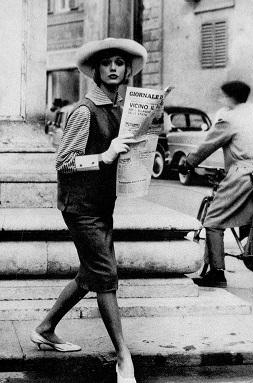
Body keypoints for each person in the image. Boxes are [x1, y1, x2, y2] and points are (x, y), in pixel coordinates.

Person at [30, 37, 147, 383]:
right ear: (95, 70)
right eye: (107, 62)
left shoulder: (119, 110)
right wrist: (104, 156)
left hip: (100, 204)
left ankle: (46, 327)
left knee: (90, 273)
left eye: (120, 63)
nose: (114, 68)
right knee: (106, 276)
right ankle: (123, 357)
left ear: (127, 71)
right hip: (80, 208)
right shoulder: (83, 111)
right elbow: (62, 163)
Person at [179, 80, 253, 288]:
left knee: (213, 220)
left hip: (243, 174)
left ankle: (217, 273)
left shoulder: (228, 119)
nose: (221, 99)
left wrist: (188, 163)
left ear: (230, 97)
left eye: (222, 96)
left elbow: (207, 146)